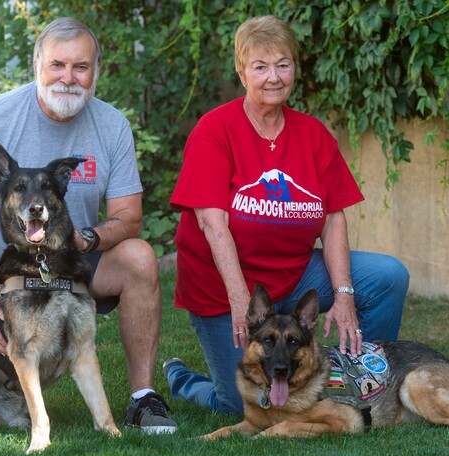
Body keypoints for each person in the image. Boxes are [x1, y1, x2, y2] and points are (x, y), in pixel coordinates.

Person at [164, 15, 410, 416]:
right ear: (242, 73)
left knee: (386, 277)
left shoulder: (313, 134)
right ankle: (185, 379)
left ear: (295, 67)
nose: (273, 77)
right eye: (260, 67)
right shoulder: (214, 130)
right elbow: (212, 223)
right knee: (239, 404)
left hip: (295, 275)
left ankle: (361, 380)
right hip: (222, 288)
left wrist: (344, 295)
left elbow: (333, 217)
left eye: (283, 64)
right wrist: (242, 299)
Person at [0, 17, 176, 433]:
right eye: (57, 65)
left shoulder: (112, 126)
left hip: (73, 265)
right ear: (37, 65)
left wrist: (87, 239)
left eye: (80, 67)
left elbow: (130, 218)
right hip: (7, 280)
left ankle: (143, 399)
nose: (68, 78)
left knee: (140, 257)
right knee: (0, 362)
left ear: (95, 73)